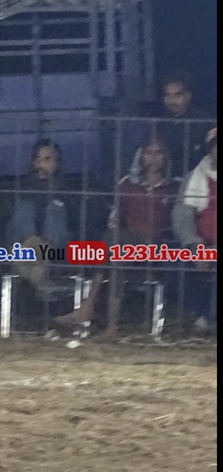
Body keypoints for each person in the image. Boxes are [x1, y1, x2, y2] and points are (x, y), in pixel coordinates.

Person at [55, 135, 179, 334]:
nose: (153, 158)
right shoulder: (127, 184)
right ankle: (110, 325)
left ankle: (88, 307)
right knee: (117, 254)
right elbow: (116, 217)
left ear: (166, 157)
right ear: (141, 156)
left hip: (156, 246)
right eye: (149, 153)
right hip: (125, 244)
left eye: (158, 153)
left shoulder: (174, 187)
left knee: (114, 243)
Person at [3, 138, 104, 316]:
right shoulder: (21, 185)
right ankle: (36, 258)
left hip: (55, 245)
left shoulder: (67, 188)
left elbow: (76, 221)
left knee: (54, 208)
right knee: (25, 207)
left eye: (47, 159)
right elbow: (9, 220)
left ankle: (36, 263)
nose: (41, 164)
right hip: (22, 242)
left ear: (57, 163)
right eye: (38, 159)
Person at [130, 71, 215, 180]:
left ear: (188, 96)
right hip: (167, 183)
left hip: (198, 181)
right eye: (167, 95)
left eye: (177, 95)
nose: (171, 101)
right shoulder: (159, 124)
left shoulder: (205, 123)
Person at [172, 129, 217, 333]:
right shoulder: (194, 177)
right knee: (173, 262)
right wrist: (196, 246)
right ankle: (196, 314)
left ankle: (208, 317)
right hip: (198, 243)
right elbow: (182, 215)